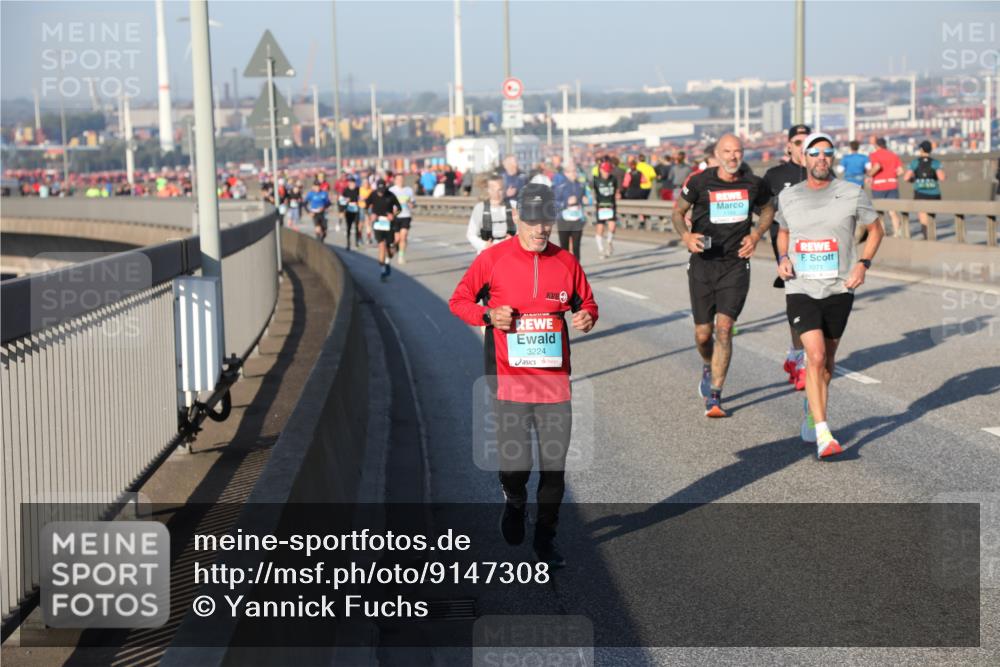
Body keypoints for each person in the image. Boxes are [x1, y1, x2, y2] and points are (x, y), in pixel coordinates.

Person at [449, 183, 598, 567]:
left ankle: (545, 540)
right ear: (518, 218)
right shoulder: (493, 259)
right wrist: (487, 315)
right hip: (508, 382)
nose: (540, 229)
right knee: (517, 467)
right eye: (532, 221)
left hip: (554, 384)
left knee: (554, 468)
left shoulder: (566, 262)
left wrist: (586, 317)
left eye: (546, 220)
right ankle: (514, 500)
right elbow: (459, 300)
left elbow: (588, 303)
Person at [776, 132, 884, 458]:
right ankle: (824, 433)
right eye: (814, 153)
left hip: (840, 286)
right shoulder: (789, 196)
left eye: (827, 153)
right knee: (816, 355)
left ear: (832, 158)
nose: (821, 158)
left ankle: (814, 409)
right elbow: (782, 232)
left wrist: (864, 263)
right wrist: (782, 258)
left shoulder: (852, 193)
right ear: (804, 159)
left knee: (828, 363)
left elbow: (877, 229)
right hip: (801, 286)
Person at [672, 134, 774, 418]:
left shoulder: (754, 183)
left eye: (737, 151)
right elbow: (678, 212)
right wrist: (686, 236)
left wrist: (756, 233)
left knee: (725, 329)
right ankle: (707, 364)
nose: (732, 157)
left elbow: (768, 209)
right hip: (704, 262)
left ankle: (715, 396)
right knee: (703, 334)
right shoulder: (700, 181)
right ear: (716, 154)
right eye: (726, 152)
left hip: (735, 264)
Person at [763, 124, 811, 389]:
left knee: (816, 298)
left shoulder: (822, 170)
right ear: (789, 146)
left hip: (817, 245)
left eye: (806, 140)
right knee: (799, 296)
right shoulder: (774, 175)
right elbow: (761, 207)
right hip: (787, 246)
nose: (802, 145)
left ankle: (796, 354)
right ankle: (801, 356)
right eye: (797, 141)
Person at [903, 140, 945, 240]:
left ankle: (926, 236)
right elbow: (942, 177)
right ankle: (932, 235)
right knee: (931, 216)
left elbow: (906, 178)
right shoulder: (935, 162)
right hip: (934, 193)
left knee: (923, 217)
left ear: (921, 149)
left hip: (920, 193)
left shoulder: (915, 162)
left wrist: (913, 180)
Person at [467, 172, 516, 254]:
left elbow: (523, 230)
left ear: (504, 189)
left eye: (500, 189)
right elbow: (471, 234)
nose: (496, 194)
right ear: (488, 190)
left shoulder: (513, 205)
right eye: (493, 190)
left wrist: (514, 239)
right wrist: (484, 245)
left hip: (508, 252)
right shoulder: (480, 208)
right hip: (487, 253)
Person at [866, 137, 903, 237]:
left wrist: (869, 175)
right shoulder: (894, 155)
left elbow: (877, 166)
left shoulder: (874, 155)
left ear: (876, 146)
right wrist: (891, 176)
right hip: (892, 184)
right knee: (893, 211)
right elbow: (900, 171)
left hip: (879, 186)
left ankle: (882, 233)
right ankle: (897, 233)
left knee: (879, 212)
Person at [366, 179, 401, 281]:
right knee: (381, 245)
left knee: (389, 248)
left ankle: (388, 260)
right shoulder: (372, 195)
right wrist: (370, 215)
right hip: (377, 223)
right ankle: (383, 271)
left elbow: (399, 208)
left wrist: (393, 215)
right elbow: (365, 206)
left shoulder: (390, 195)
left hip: (389, 224)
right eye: (379, 191)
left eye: (383, 190)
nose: (381, 193)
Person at [554, 163, 586, 261]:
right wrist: (566, 202)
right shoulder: (560, 186)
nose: (574, 173)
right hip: (563, 220)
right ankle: (566, 271)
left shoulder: (581, 185)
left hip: (577, 219)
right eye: (571, 171)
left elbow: (583, 200)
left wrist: (584, 201)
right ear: (566, 173)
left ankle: (577, 271)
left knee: (576, 246)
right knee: (564, 248)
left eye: (575, 171)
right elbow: (554, 202)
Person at [592, 160, 619, 258]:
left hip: (611, 206)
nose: (607, 173)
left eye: (608, 171)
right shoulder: (596, 180)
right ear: (601, 170)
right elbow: (592, 191)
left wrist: (618, 195)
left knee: (612, 226)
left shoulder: (613, 179)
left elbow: (616, 190)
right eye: (605, 171)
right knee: (600, 228)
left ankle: (609, 242)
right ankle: (601, 249)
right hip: (600, 207)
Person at [389, 172, 416, 264]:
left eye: (402, 179)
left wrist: (410, 203)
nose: (400, 181)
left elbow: (413, 204)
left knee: (403, 237)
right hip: (395, 217)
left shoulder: (408, 190)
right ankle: (395, 247)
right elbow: (387, 203)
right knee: (397, 239)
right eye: (398, 179)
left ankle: (401, 256)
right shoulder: (391, 190)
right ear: (395, 180)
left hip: (406, 215)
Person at [340, 178, 361, 250]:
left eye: (354, 183)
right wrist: (346, 201)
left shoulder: (358, 189)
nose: (353, 185)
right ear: (349, 183)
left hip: (356, 210)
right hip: (348, 210)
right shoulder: (346, 190)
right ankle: (348, 243)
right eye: (351, 183)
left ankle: (357, 242)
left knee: (357, 227)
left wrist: (359, 201)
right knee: (349, 227)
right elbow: (341, 200)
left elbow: (360, 197)